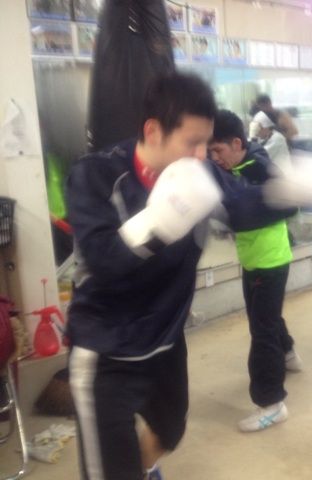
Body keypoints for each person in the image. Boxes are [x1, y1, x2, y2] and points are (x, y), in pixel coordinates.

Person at [66, 73, 220, 480]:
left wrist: (281, 195)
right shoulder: (95, 175)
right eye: (192, 142)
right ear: (153, 131)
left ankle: (145, 468)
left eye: (206, 143)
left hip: (165, 340)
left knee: (170, 431)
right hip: (107, 350)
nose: (201, 156)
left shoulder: (198, 174)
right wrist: (159, 222)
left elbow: (242, 206)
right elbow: (103, 260)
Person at [208, 110, 300, 432]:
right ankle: (288, 353)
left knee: (262, 330)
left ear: (237, 143)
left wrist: (231, 214)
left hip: (268, 261)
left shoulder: (258, 166)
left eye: (218, 150)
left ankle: (271, 404)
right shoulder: (244, 163)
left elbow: (288, 203)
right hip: (258, 259)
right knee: (266, 317)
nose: (215, 158)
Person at [250, 110, 292, 176]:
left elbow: (259, 156)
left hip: (283, 176)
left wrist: (253, 136)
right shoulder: (262, 138)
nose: (257, 131)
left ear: (267, 127)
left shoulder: (277, 138)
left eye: (258, 128)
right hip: (272, 175)